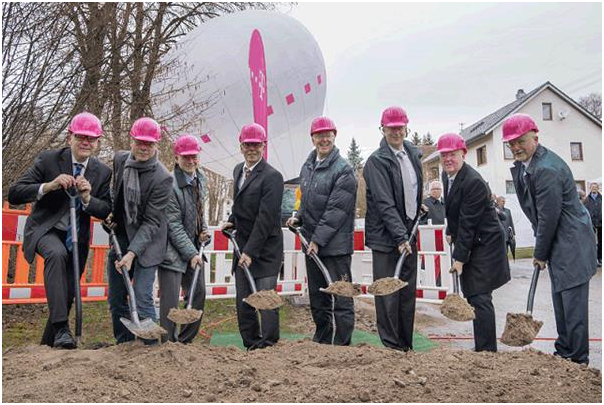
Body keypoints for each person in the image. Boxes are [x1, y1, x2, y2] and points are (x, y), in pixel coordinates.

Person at [8, 112, 112, 349]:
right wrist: (49, 186)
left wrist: (87, 198)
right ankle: (62, 330)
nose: (86, 142)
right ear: (70, 138)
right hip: (46, 230)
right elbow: (15, 192)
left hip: (77, 238)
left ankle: (52, 345)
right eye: (81, 137)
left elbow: (106, 209)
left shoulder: (102, 171)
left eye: (91, 139)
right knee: (56, 254)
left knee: (66, 295)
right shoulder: (49, 160)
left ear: (97, 143)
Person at [503, 113, 597, 364]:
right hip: (560, 242)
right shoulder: (530, 165)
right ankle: (565, 350)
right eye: (510, 144)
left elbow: (548, 217)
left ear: (535, 136)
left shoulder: (546, 169)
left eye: (520, 141)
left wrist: (539, 254)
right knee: (561, 302)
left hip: (571, 243)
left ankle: (577, 359)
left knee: (572, 305)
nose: (515, 147)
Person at [286, 117, 357, 345]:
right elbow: (306, 201)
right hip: (312, 244)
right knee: (319, 296)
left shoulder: (343, 169)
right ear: (313, 138)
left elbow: (336, 211)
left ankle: (342, 344)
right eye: (319, 135)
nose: (323, 139)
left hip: (335, 247)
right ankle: (323, 339)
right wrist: (298, 218)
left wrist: (316, 240)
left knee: (342, 296)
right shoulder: (308, 166)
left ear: (335, 136)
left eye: (328, 135)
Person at [439, 133, 510, 352]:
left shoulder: (473, 182)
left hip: (486, 244)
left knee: (479, 296)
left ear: (463, 154)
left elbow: (469, 224)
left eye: (452, 154)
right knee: (473, 294)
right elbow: (454, 211)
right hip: (473, 241)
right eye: (444, 155)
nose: (448, 159)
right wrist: (451, 230)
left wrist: (459, 259)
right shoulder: (447, 176)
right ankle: (482, 347)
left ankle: (487, 351)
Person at [363, 106, 423, 351]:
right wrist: (399, 236)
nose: (396, 132)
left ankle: (406, 346)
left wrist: (420, 207)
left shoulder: (412, 153)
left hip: (409, 233)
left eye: (400, 127)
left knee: (407, 294)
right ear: (383, 129)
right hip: (387, 239)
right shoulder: (376, 162)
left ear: (406, 128)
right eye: (391, 128)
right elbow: (384, 202)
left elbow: (413, 188)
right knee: (388, 295)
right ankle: (391, 348)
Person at [107, 117, 172, 344]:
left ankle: (152, 347)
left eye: (150, 144)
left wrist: (132, 253)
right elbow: (115, 193)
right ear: (132, 140)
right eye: (140, 142)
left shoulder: (163, 178)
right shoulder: (120, 160)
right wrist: (111, 216)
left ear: (157, 145)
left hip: (149, 241)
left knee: (142, 296)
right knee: (116, 297)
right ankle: (124, 345)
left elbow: (152, 222)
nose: (144, 148)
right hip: (123, 235)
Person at [222, 123, 284, 350]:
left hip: (265, 251)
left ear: (264, 146)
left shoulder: (273, 177)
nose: (252, 149)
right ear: (241, 146)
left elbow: (266, 219)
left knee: (266, 301)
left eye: (256, 145)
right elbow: (240, 206)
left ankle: (268, 346)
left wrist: (250, 252)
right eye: (248, 145)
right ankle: (251, 344)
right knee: (244, 301)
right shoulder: (238, 170)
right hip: (243, 248)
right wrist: (232, 220)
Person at [158, 135, 211, 343]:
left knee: (198, 293)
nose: (190, 161)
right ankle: (167, 343)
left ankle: (185, 341)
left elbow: (199, 212)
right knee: (170, 302)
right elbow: (174, 225)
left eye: (194, 157)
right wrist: (190, 253)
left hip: (193, 248)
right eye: (186, 157)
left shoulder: (201, 179)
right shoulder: (170, 185)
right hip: (171, 250)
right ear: (177, 157)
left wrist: (203, 230)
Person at [583, 182, 602, 267]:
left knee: (601, 242)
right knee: (591, 242)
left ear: (598, 188)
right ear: (590, 188)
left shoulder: (601, 198)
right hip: (591, 224)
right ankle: (593, 259)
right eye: (592, 187)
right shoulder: (586, 200)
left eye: (595, 187)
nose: (594, 189)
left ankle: (600, 258)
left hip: (601, 223)